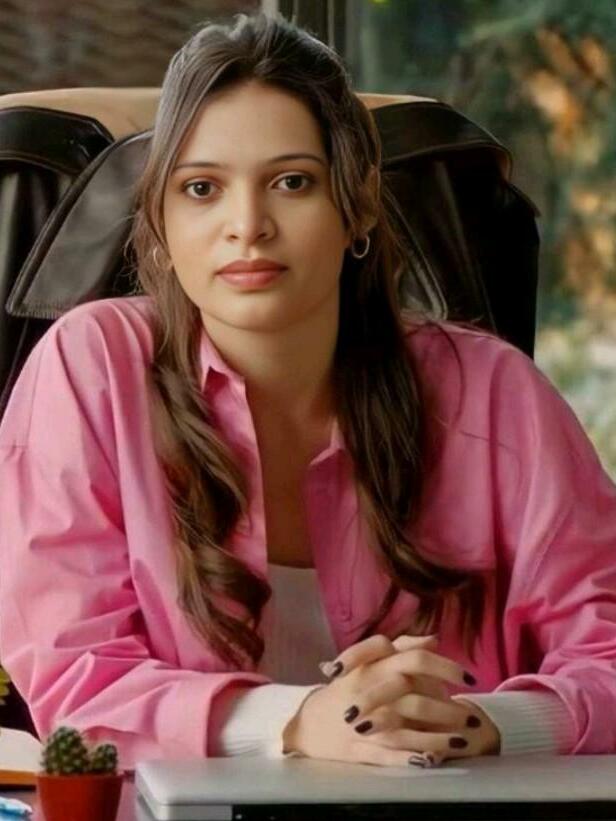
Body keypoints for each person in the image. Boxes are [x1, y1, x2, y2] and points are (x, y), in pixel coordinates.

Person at [1, 10, 616, 773]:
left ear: (357, 204)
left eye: (292, 182)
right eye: (202, 188)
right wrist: (299, 720)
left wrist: (481, 723)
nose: (247, 225)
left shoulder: (494, 393)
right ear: (159, 220)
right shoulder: (90, 368)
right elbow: (74, 678)